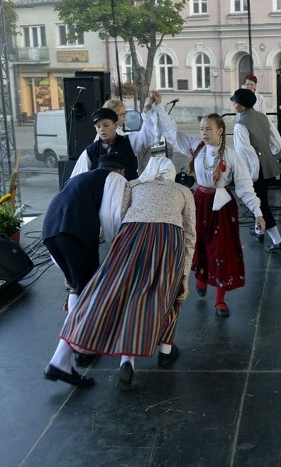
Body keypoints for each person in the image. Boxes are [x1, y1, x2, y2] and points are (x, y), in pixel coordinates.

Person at [47, 159, 196, 390]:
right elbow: (190, 234)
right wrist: (185, 274)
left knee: (102, 295)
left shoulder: (134, 185)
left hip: (129, 236)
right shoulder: (184, 190)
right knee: (161, 296)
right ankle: (156, 352)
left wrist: (118, 256)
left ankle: (65, 357)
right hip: (168, 240)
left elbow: (120, 215)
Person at [156, 106, 265, 318]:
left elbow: (244, 186)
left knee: (221, 250)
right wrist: (159, 109)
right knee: (197, 243)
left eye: (208, 129)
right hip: (199, 201)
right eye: (201, 129)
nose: (204, 133)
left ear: (220, 131)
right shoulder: (196, 148)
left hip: (222, 207)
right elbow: (173, 135)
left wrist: (257, 212)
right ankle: (201, 278)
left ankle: (220, 299)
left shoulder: (232, 156)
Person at [41, 153, 128, 385]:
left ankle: (70, 353)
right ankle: (66, 356)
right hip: (75, 234)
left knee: (77, 289)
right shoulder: (115, 178)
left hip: (50, 232)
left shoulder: (80, 178)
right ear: (122, 171)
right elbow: (111, 216)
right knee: (91, 295)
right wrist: (116, 251)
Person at [231, 88, 281, 252]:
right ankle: (259, 230)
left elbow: (244, 153)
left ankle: (278, 241)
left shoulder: (240, 126)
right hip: (266, 166)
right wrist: (268, 155)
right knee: (260, 201)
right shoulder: (262, 117)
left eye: (235, 102)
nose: (233, 104)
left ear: (241, 107)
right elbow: (277, 141)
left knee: (260, 204)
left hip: (255, 170)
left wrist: (247, 174)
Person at [70, 96, 161, 181]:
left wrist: (147, 109)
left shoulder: (129, 142)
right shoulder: (90, 151)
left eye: (106, 125)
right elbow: (77, 179)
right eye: (98, 126)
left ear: (115, 125)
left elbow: (149, 135)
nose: (102, 129)